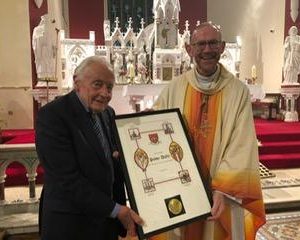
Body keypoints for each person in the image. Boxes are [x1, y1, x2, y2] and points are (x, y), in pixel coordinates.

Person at [151, 22, 266, 240]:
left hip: (223, 193)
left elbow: (242, 143)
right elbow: (157, 131)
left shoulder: (238, 91)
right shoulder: (174, 88)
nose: (207, 50)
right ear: (189, 49)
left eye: (213, 43)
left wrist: (223, 189)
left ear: (222, 47)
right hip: (181, 187)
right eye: (200, 44)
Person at [35, 56, 143, 240]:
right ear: (77, 82)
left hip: (104, 223)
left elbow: (111, 159)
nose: (105, 93)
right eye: (97, 84)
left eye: (109, 87)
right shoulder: (53, 115)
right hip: (70, 225)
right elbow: (67, 179)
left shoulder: (108, 113)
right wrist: (116, 210)